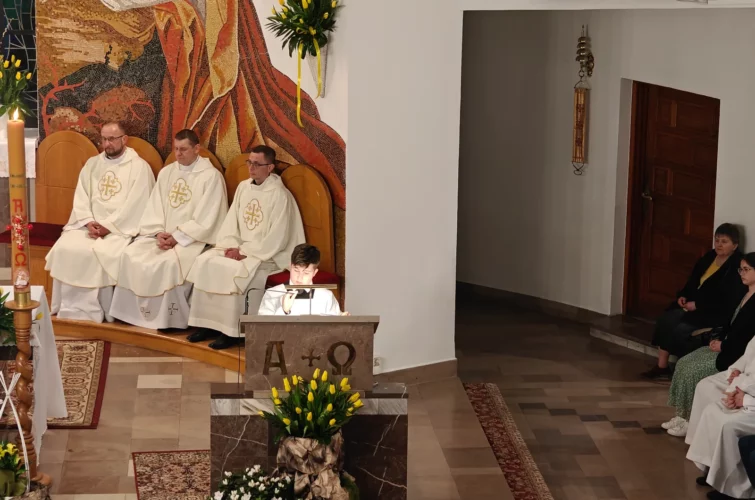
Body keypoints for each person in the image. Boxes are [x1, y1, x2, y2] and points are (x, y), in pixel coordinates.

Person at [185, 145, 304, 349]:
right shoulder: (243, 187)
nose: (251, 168)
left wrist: (244, 252)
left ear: (270, 167)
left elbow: (278, 237)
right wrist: (230, 246)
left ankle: (233, 331)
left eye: (257, 164)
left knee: (235, 272)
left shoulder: (279, 195)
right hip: (239, 248)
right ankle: (207, 325)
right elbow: (232, 222)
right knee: (205, 260)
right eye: (250, 162)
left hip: (267, 255)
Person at [109, 129, 228, 329]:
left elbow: (208, 217)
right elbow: (154, 206)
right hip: (161, 236)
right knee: (130, 254)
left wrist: (177, 237)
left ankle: (167, 319)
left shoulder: (211, 177)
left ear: (197, 149)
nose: (178, 154)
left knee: (169, 264)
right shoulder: (167, 172)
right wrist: (158, 232)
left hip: (191, 240)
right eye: (176, 149)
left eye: (183, 149)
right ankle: (130, 314)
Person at [45, 121, 155, 322]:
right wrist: (88, 221)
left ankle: (98, 310)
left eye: (111, 139)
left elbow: (137, 205)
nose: (107, 144)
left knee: (102, 253)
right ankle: (67, 308)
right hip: (89, 226)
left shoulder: (139, 168)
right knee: (65, 247)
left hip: (118, 229)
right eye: (103, 139)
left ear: (124, 139)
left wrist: (108, 226)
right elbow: (81, 197)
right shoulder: (92, 164)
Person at [662, 253, 755, 437]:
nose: (742, 273)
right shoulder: (743, 293)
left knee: (693, 370)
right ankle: (681, 414)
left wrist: (724, 345)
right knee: (684, 362)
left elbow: (746, 338)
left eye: (747, 269)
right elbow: (729, 322)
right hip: (725, 346)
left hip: (735, 354)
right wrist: (718, 338)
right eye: (741, 269)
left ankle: (689, 420)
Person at [643, 223, 745, 380]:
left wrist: (698, 305)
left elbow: (727, 298)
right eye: (717, 240)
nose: (719, 244)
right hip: (692, 305)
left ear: (735, 245)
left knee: (682, 329)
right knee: (667, 319)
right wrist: (683, 295)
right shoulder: (709, 257)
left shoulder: (736, 266)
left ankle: (682, 372)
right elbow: (693, 280)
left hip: (713, 311)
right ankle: (662, 367)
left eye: (724, 241)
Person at [684, 331, 755, 499]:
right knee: (712, 410)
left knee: (728, 425)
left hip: (750, 395)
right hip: (747, 387)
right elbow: (748, 356)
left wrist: (744, 398)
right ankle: (713, 471)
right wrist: (736, 371)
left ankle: (735, 488)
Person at [258, 244, 346, 316]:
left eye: (306, 273)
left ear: (314, 272)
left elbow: (333, 328)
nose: (299, 277)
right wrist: (284, 311)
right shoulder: (272, 294)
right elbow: (264, 329)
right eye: (296, 270)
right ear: (290, 267)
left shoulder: (326, 296)